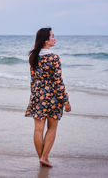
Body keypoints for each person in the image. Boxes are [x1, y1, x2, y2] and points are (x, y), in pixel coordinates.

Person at [25, 27, 71, 167]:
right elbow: (58, 81)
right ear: (46, 40)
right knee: (52, 127)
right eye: (52, 36)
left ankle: (42, 158)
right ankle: (44, 157)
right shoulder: (54, 58)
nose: (54, 38)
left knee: (38, 129)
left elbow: (33, 80)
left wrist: (35, 96)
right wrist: (66, 101)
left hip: (37, 96)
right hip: (52, 97)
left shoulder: (33, 57)